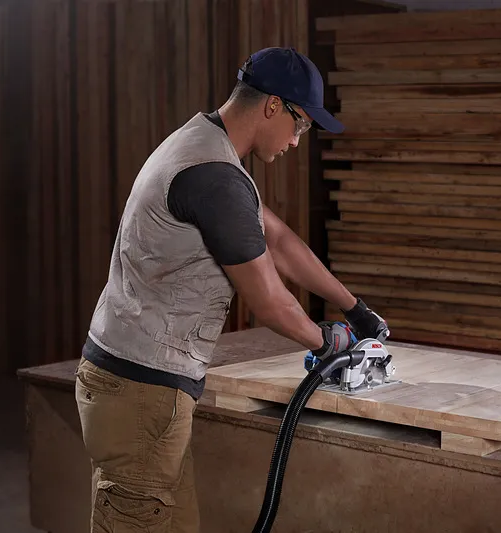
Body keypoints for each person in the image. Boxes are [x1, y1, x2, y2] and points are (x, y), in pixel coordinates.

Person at [73, 46, 388, 533]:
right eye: (301, 125)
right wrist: (328, 344)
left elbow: (278, 240)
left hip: (143, 389)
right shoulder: (214, 177)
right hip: (139, 394)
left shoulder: (207, 147)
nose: (297, 141)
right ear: (272, 107)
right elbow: (268, 301)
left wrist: (354, 308)